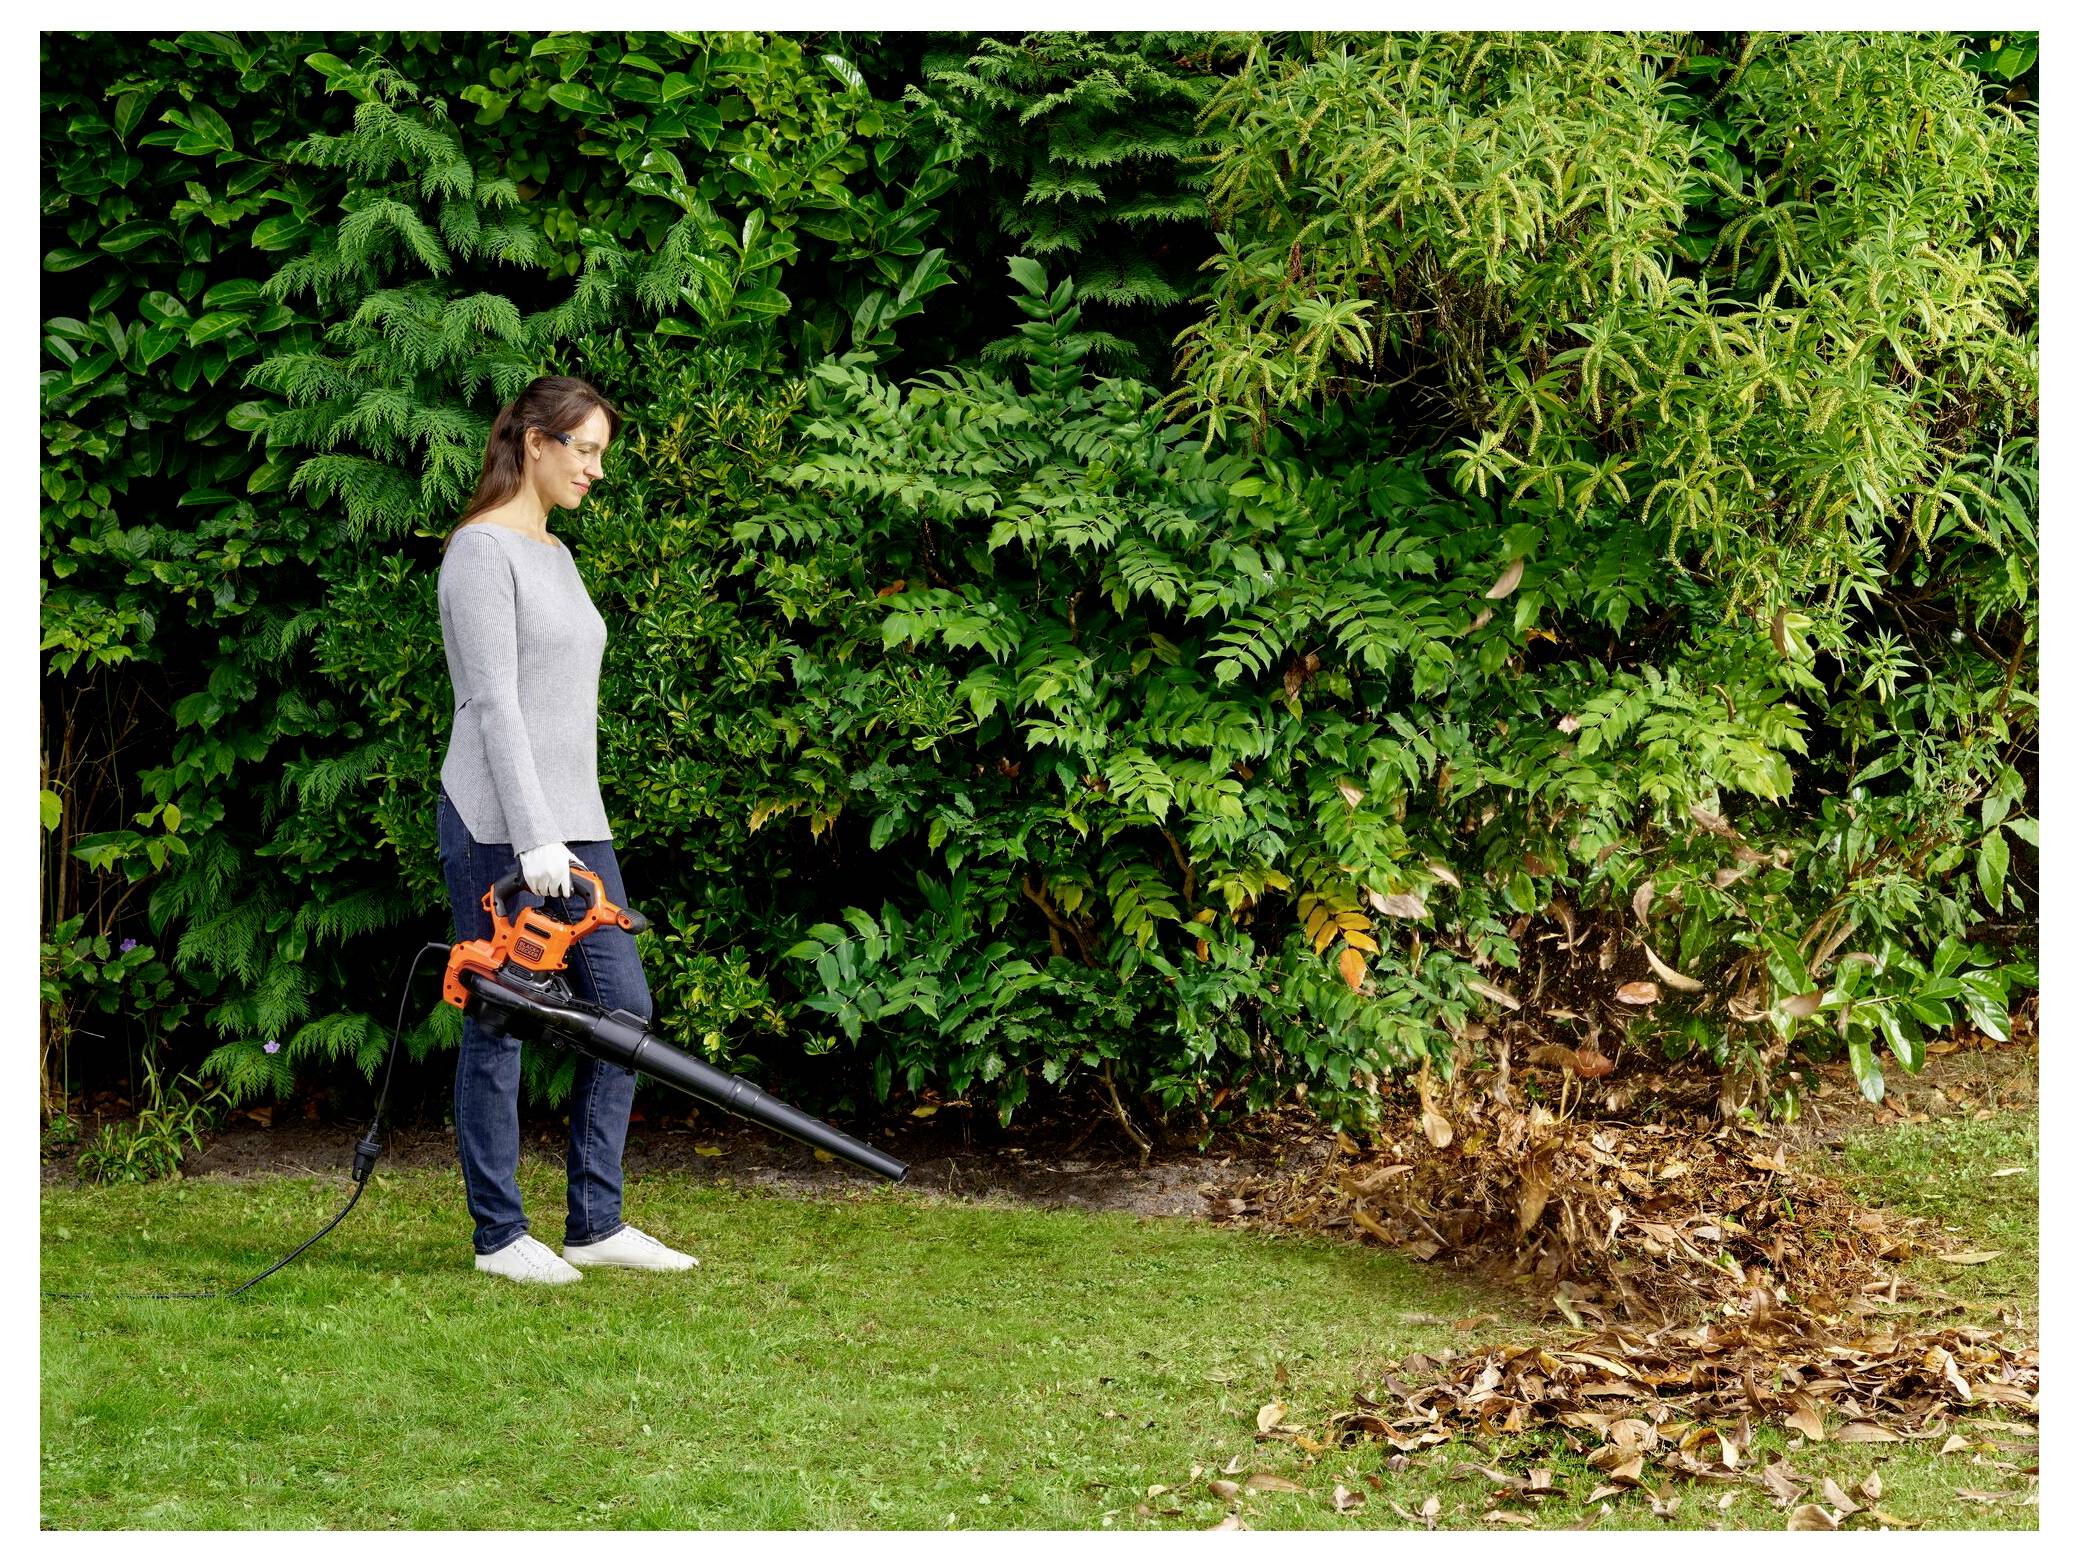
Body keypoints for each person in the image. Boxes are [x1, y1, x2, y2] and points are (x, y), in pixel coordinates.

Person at [434, 374, 696, 1285]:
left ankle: (595, 1220)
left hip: (575, 824)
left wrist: (567, 831)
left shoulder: (556, 553)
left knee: (624, 1012)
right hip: (499, 824)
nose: (594, 469)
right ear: (534, 442)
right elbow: (495, 703)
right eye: (583, 449)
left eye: (600, 455)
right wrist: (532, 836)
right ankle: (500, 1236)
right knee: (500, 1021)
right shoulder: (479, 553)